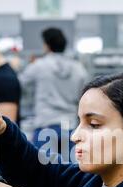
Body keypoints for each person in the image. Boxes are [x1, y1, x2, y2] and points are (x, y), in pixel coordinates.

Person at [19, 27, 88, 159]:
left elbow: (19, 83)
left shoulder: (39, 66)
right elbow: (85, 95)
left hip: (46, 124)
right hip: (69, 125)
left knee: (43, 173)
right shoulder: (78, 69)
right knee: (71, 172)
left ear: (47, 45)